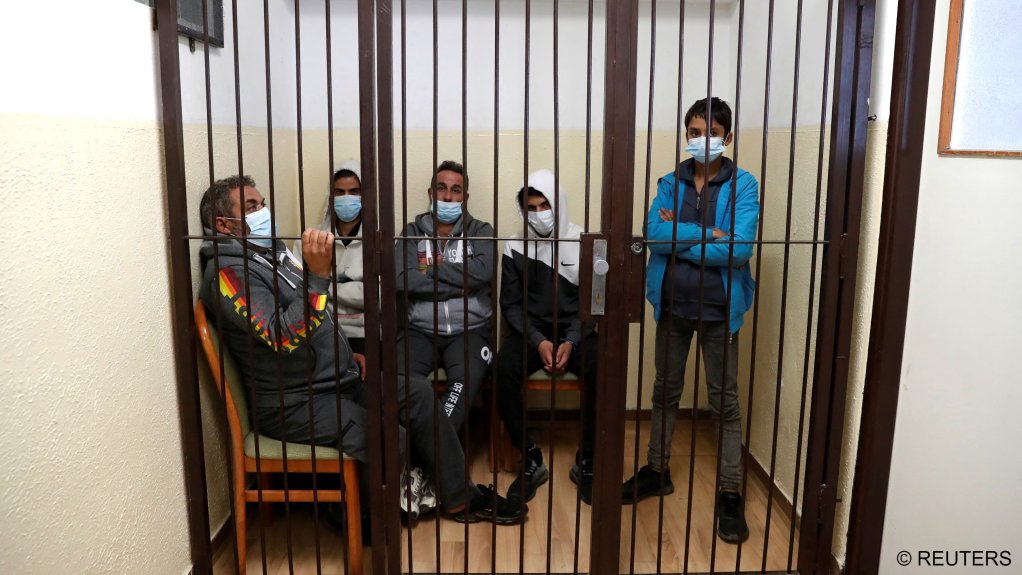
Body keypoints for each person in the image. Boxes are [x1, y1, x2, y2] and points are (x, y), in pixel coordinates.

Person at [199, 175, 525, 526]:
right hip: (294, 402)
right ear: (223, 225)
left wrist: (341, 355)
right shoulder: (227, 271)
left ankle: (460, 498)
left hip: (333, 379)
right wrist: (319, 275)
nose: (263, 211)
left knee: (417, 393)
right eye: (251, 207)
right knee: (389, 434)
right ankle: (363, 518)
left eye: (262, 203)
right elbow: (284, 336)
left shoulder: (271, 254)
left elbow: (313, 314)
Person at [621, 97, 759, 544]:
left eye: (712, 132)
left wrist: (679, 234)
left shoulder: (744, 185)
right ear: (686, 136)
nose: (702, 140)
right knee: (665, 390)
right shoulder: (669, 182)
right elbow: (653, 236)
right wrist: (707, 234)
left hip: (720, 308)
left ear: (728, 136)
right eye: (694, 132)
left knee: (725, 401)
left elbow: (738, 249)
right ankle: (657, 469)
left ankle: (731, 489)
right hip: (673, 302)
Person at [495, 169, 599, 505]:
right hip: (531, 331)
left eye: (545, 205)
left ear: (558, 203)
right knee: (501, 370)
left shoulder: (584, 241)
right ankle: (530, 456)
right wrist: (538, 340)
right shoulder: (514, 245)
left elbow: (593, 305)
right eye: (531, 207)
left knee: (605, 368)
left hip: (576, 330)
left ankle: (589, 459)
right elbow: (509, 304)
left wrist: (570, 340)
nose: (539, 214)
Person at [394, 161, 495, 434]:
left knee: (462, 386)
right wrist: (460, 286)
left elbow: (483, 272)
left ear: (466, 197)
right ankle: (429, 452)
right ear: (430, 193)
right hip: (419, 330)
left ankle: (428, 456)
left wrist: (432, 271)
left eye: (456, 190)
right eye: (441, 188)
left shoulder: (481, 231)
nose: (448, 197)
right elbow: (403, 280)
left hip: (470, 331)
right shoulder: (411, 233)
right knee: (395, 379)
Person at [293, 160, 367, 355]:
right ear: (330, 196)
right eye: (339, 192)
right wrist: (353, 289)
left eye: (354, 191)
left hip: (366, 333)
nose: (346, 198)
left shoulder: (378, 242)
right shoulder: (309, 240)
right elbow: (296, 289)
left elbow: (377, 296)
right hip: (321, 330)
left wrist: (322, 285)